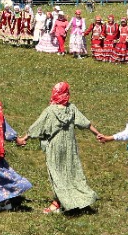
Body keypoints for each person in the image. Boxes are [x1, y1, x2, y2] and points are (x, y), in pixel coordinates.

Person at [20, 82, 98, 214]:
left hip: (55, 147)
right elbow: (85, 122)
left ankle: (58, 204)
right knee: (72, 174)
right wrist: (97, 133)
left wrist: (24, 138)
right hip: (70, 147)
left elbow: (38, 126)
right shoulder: (72, 108)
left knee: (57, 175)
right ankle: (75, 200)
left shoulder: (50, 111)